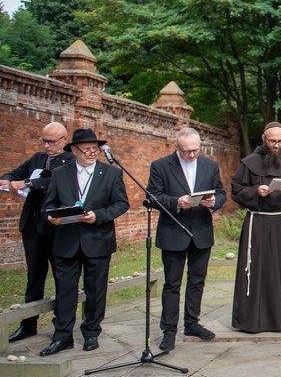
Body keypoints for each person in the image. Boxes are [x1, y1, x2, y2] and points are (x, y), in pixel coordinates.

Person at [39, 129, 129, 356]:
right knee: (65, 290)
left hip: (98, 240)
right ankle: (62, 337)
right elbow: (48, 205)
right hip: (66, 241)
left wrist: (98, 216)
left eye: (95, 148)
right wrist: (51, 217)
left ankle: (91, 332)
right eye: (86, 149)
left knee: (96, 290)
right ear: (74, 151)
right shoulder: (60, 174)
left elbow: (121, 204)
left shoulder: (111, 173)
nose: (92, 152)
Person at [147, 127, 227, 351]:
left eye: (195, 150)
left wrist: (214, 202)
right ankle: (169, 330)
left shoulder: (209, 165)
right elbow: (152, 197)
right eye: (187, 151)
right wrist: (176, 202)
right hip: (174, 231)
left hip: (201, 231)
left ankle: (192, 323)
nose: (192, 155)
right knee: (172, 283)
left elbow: (221, 192)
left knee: (197, 281)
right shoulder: (161, 166)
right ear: (177, 147)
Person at [1, 122, 74, 343]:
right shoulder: (38, 158)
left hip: (55, 227)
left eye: (51, 141)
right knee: (34, 276)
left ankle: (61, 324)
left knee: (62, 276)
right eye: (44, 141)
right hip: (32, 226)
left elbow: (51, 181)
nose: (47, 145)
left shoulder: (70, 161)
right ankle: (28, 323)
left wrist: (26, 183)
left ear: (64, 139)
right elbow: (17, 172)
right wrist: (6, 179)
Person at [230, 122, 281, 333]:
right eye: (272, 141)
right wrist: (256, 191)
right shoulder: (250, 162)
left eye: (280, 141)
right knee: (258, 269)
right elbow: (236, 190)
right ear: (264, 138)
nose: (277, 145)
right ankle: (254, 320)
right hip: (259, 222)